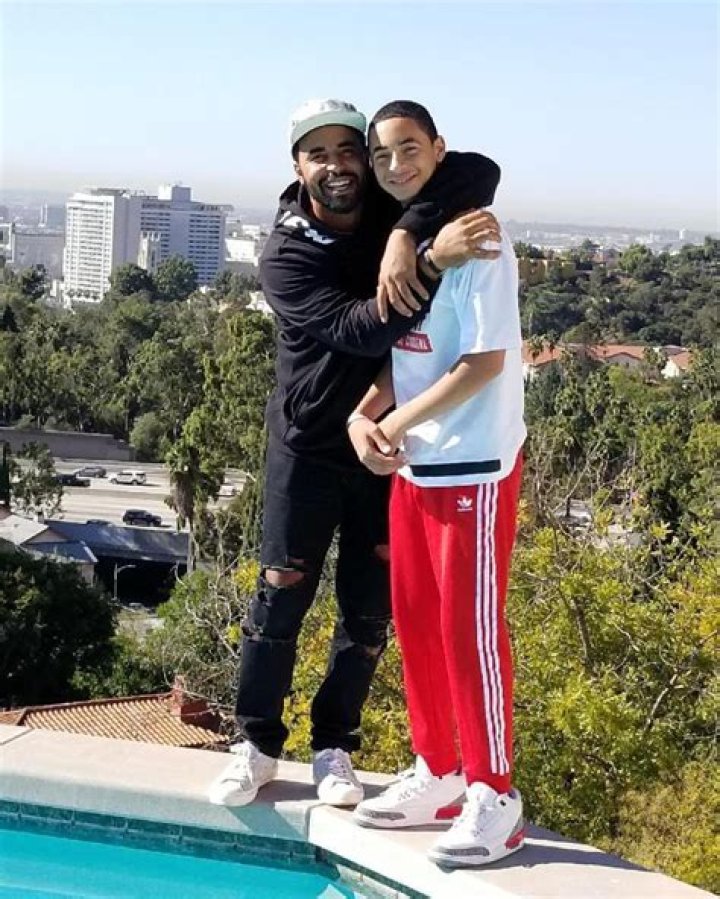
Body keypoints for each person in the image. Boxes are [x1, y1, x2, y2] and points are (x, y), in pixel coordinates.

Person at [208, 98, 503, 809]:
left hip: (383, 443)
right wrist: (430, 254)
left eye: (350, 150)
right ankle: (255, 743)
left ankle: (333, 743)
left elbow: (480, 170)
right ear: (297, 166)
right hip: (309, 444)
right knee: (281, 591)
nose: (338, 166)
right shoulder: (286, 253)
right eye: (320, 154)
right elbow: (363, 330)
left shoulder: (387, 208)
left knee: (369, 611)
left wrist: (401, 233)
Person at [347, 101, 526, 868]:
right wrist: (367, 413)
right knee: (417, 622)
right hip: (415, 462)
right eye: (383, 155)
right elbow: (412, 351)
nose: (396, 165)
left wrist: (396, 421)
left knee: (468, 632)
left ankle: (495, 792)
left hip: (473, 467)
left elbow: (483, 362)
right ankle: (441, 770)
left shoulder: (478, 235)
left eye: (409, 149)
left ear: (439, 148)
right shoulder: (412, 239)